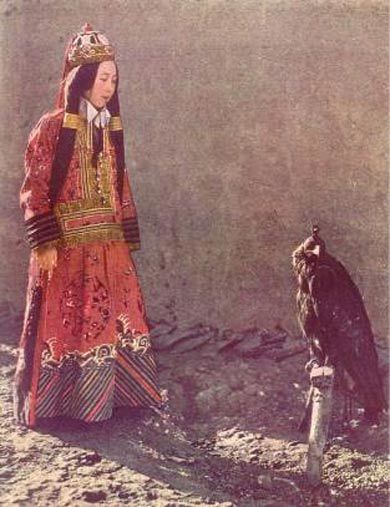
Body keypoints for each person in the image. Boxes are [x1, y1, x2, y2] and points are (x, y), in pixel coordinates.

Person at [14, 24, 162, 427]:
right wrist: (43, 240)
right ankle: (60, 406)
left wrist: (125, 231)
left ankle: (110, 400)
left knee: (118, 316)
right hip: (65, 246)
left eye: (115, 79)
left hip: (108, 246)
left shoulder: (111, 129)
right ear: (82, 80)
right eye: (103, 78)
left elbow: (120, 182)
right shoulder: (53, 126)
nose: (110, 86)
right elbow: (36, 184)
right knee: (68, 320)